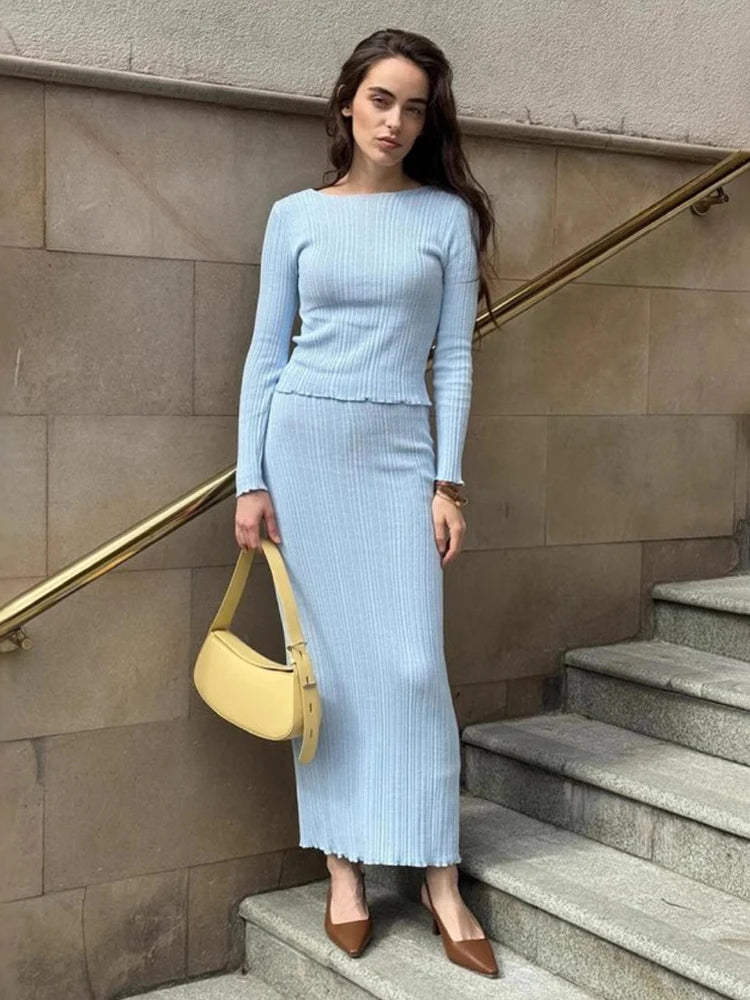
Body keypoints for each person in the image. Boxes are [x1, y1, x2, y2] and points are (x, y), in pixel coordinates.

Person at [234, 27, 500, 979]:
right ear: (348, 102)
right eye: (382, 99)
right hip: (302, 453)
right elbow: (268, 354)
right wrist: (249, 480)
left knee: (414, 668)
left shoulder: (443, 218)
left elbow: (455, 357)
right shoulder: (293, 215)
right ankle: (342, 871)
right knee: (330, 674)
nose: (396, 120)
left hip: (397, 456)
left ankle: (439, 876)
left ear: (428, 121)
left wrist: (447, 479)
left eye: (415, 106)